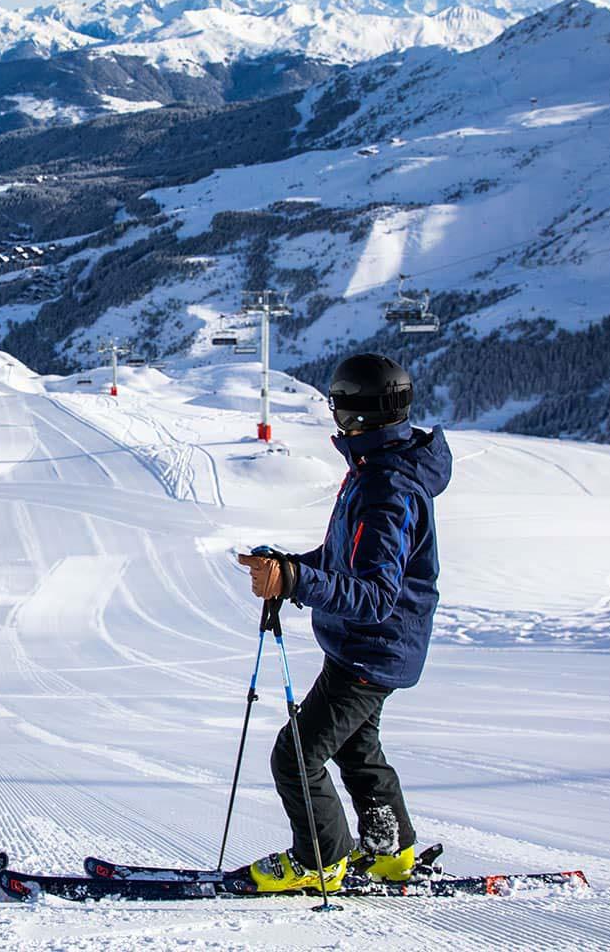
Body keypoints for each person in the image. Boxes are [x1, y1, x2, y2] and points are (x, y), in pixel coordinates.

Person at [234, 352, 451, 893]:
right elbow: (343, 560)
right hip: (373, 647)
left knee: (296, 756)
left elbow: (374, 596)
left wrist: (294, 582)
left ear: (350, 415)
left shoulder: (385, 489)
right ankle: (389, 851)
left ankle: (319, 858)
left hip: (370, 649)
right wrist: (292, 566)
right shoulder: (381, 469)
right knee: (357, 748)